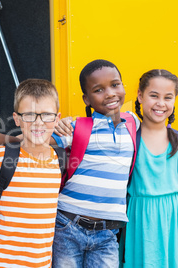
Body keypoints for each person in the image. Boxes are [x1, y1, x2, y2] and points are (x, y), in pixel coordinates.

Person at [50, 60, 138, 268]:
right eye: (98, 90)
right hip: (67, 225)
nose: (109, 93)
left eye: (115, 85)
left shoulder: (133, 122)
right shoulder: (76, 127)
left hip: (108, 233)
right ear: (86, 99)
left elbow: (159, 131)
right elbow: (36, 141)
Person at [0, 79, 62, 267]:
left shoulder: (58, 161)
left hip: (39, 263)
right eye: (30, 115)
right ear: (17, 119)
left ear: (57, 119)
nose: (38, 123)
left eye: (47, 115)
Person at [121, 69, 178, 267]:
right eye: (154, 95)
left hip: (175, 227)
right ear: (140, 95)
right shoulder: (128, 139)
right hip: (139, 225)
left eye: (168, 97)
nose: (161, 103)